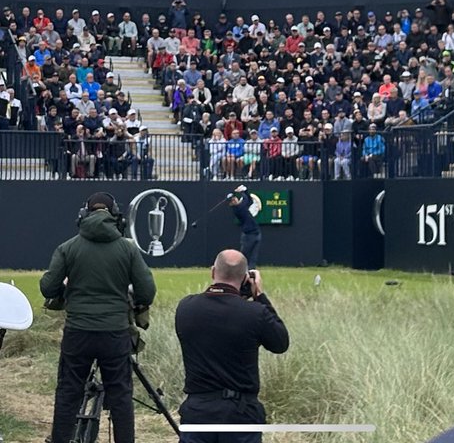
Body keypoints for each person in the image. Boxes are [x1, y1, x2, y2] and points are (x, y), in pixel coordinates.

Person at [40, 190, 156, 443]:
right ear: (117, 216)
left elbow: (48, 288)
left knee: (68, 394)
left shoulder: (68, 248)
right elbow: (147, 292)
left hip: (78, 332)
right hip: (115, 333)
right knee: (121, 397)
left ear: (83, 214)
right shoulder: (128, 249)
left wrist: (68, 291)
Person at [175, 249, 289, 443]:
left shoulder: (186, 307)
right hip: (240, 413)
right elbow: (280, 343)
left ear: (213, 272)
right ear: (245, 278)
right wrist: (259, 295)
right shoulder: (255, 313)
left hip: (198, 411)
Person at [228, 185, 262, 268]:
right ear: (231, 204)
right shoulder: (238, 209)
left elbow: (249, 200)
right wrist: (243, 191)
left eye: (234, 198)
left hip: (256, 232)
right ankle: (240, 271)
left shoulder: (241, 206)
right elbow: (246, 200)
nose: (234, 200)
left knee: (253, 256)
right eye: (232, 200)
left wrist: (244, 191)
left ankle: (251, 271)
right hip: (248, 235)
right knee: (244, 256)